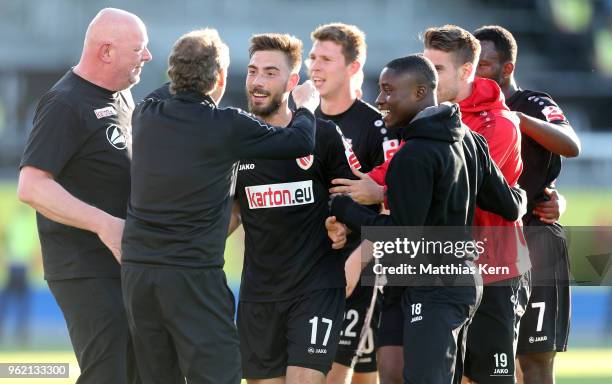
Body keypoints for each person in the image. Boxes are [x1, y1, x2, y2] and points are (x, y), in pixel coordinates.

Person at [121, 29, 319, 384]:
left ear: (174, 73)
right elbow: (300, 140)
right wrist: (305, 106)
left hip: (138, 275)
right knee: (219, 375)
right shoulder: (226, 124)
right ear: (220, 78)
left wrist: (188, 70)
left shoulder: (145, 113)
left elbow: (173, 87)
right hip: (191, 276)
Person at [328, 54, 527, 384]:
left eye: (389, 90)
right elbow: (510, 205)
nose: (380, 100)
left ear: (420, 92)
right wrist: (529, 194)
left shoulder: (413, 154)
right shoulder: (470, 139)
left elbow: (401, 239)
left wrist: (345, 208)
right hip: (467, 282)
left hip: (434, 289)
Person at [17, 8, 151, 384]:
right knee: (108, 371)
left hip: (124, 263)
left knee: (138, 370)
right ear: (107, 51)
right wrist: (104, 224)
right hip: (84, 266)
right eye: (140, 48)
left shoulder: (123, 97)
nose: (148, 56)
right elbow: (32, 185)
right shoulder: (65, 103)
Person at [232, 32, 356, 384]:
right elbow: (232, 210)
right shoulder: (235, 139)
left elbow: (351, 197)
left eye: (270, 73)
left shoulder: (324, 135)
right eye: (253, 71)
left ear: (292, 82)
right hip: (259, 296)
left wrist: (344, 225)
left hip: (315, 288)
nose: (257, 82)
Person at [473, 25, 580, 384]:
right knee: (477, 360)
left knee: (533, 358)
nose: (476, 73)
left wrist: (516, 119)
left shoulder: (531, 103)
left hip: (535, 237)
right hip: (479, 243)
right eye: (472, 64)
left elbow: (570, 143)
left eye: (484, 65)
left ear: (507, 69)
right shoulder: (460, 109)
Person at [308, 22, 399, 384]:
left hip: (358, 271)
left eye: (326, 59)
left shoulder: (378, 128)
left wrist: (356, 262)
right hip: (303, 267)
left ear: (353, 68)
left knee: (338, 375)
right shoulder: (300, 120)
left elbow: (395, 208)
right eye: (312, 57)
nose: (314, 66)